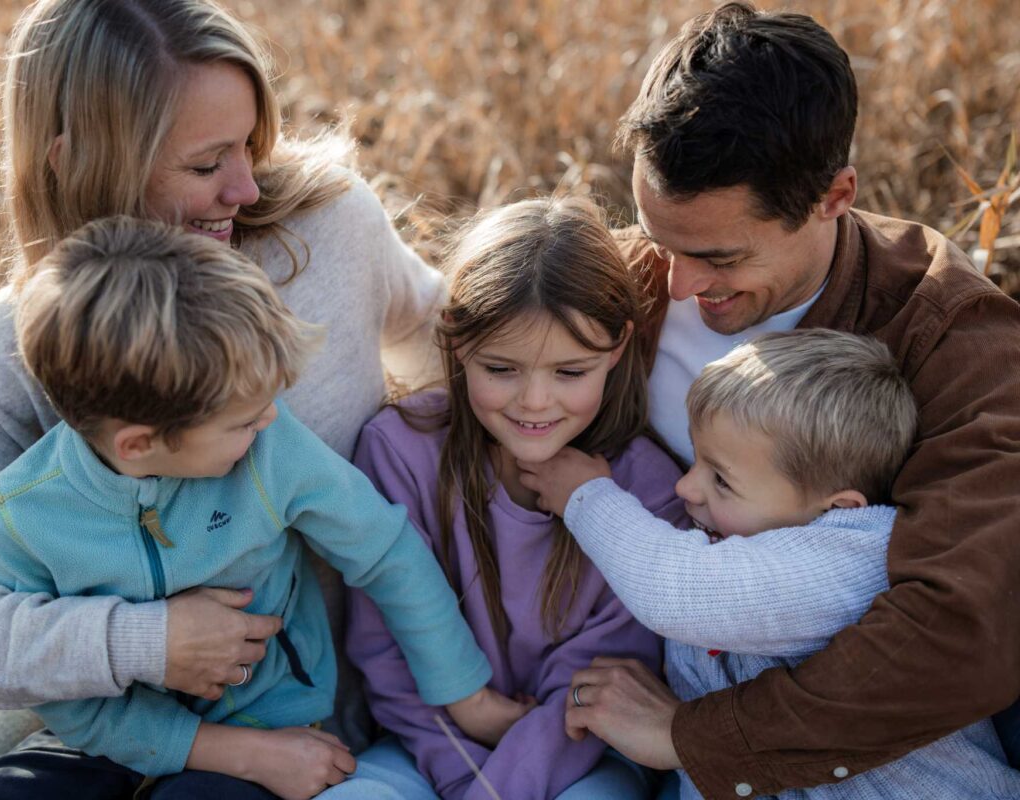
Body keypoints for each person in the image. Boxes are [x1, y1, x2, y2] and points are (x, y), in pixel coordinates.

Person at [0, 1, 446, 797]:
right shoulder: (8, 351)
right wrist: (147, 639)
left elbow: (462, 344)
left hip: (314, 718)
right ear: (79, 161)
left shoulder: (330, 226)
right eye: (206, 166)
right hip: (108, 718)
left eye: (250, 146)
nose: (244, 186)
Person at [519, 4, 1020, 797]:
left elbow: (964, 620)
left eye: (719, 257)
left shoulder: (946, 329)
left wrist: (699, 739)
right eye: (660, 239)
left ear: (834, 195)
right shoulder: (619, 282)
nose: (676, 286)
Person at [0, 216, 496, 800]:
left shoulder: (269, 448)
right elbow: (62, 692)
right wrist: (216, 749)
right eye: (241, 421)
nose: (268, 420)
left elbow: (385, 552)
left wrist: (465, 694)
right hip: (106, 740)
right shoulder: (21, 517)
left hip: (268, 724)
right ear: (139, 443)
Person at [532, 329, 1020, 799]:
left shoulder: (854, 554)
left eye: (721, 480)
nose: (686, 489)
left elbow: (674, 590)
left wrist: (584, 496)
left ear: (836, 509)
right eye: (696, 461)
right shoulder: (745, 542)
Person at [321, 197, 688, 800]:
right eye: (502, 368)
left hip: (583, 760)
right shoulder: (399, 451)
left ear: (618, 348)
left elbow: (599, 689)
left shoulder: (649, 492)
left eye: (570, 372)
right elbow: (385, 648)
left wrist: (497, 793)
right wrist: (470, 783)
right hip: (429, 748)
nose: (535, 403)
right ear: (458, 343)